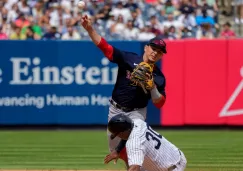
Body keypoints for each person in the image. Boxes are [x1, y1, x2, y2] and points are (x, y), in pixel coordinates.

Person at [80, 14, 167, 168]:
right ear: (146, 48)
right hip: (115, 110)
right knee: (119, 152)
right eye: (153, 48)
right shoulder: (129, 59)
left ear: (161, 56)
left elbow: (160, 103)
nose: (155, 52)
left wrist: (152, 87)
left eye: (160, 51)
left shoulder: (158, 77)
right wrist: (90, 29)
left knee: (134, 149)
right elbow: (105, 47)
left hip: (137, 112)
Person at [104, 114, 187, 171]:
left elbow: (135, 167)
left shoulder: (133, 144)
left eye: (118, 135)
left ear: (122, 133)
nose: (119, 137)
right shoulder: (138, 122)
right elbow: (127, 134)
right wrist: (117, 150)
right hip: (176, 154)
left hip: (173, 168)